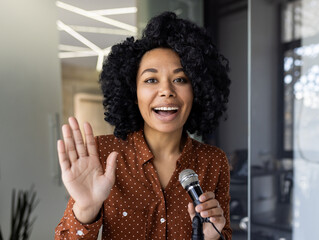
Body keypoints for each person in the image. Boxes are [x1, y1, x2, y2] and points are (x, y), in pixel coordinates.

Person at [55, 11, 231, 240]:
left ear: (198, 89)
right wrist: (86, 210)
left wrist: (211, 237)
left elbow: (223, 233)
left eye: (180, 79)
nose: (166, 90)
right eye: (151, 80)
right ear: (132, 92)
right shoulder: (103, 154)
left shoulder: (214, 162)